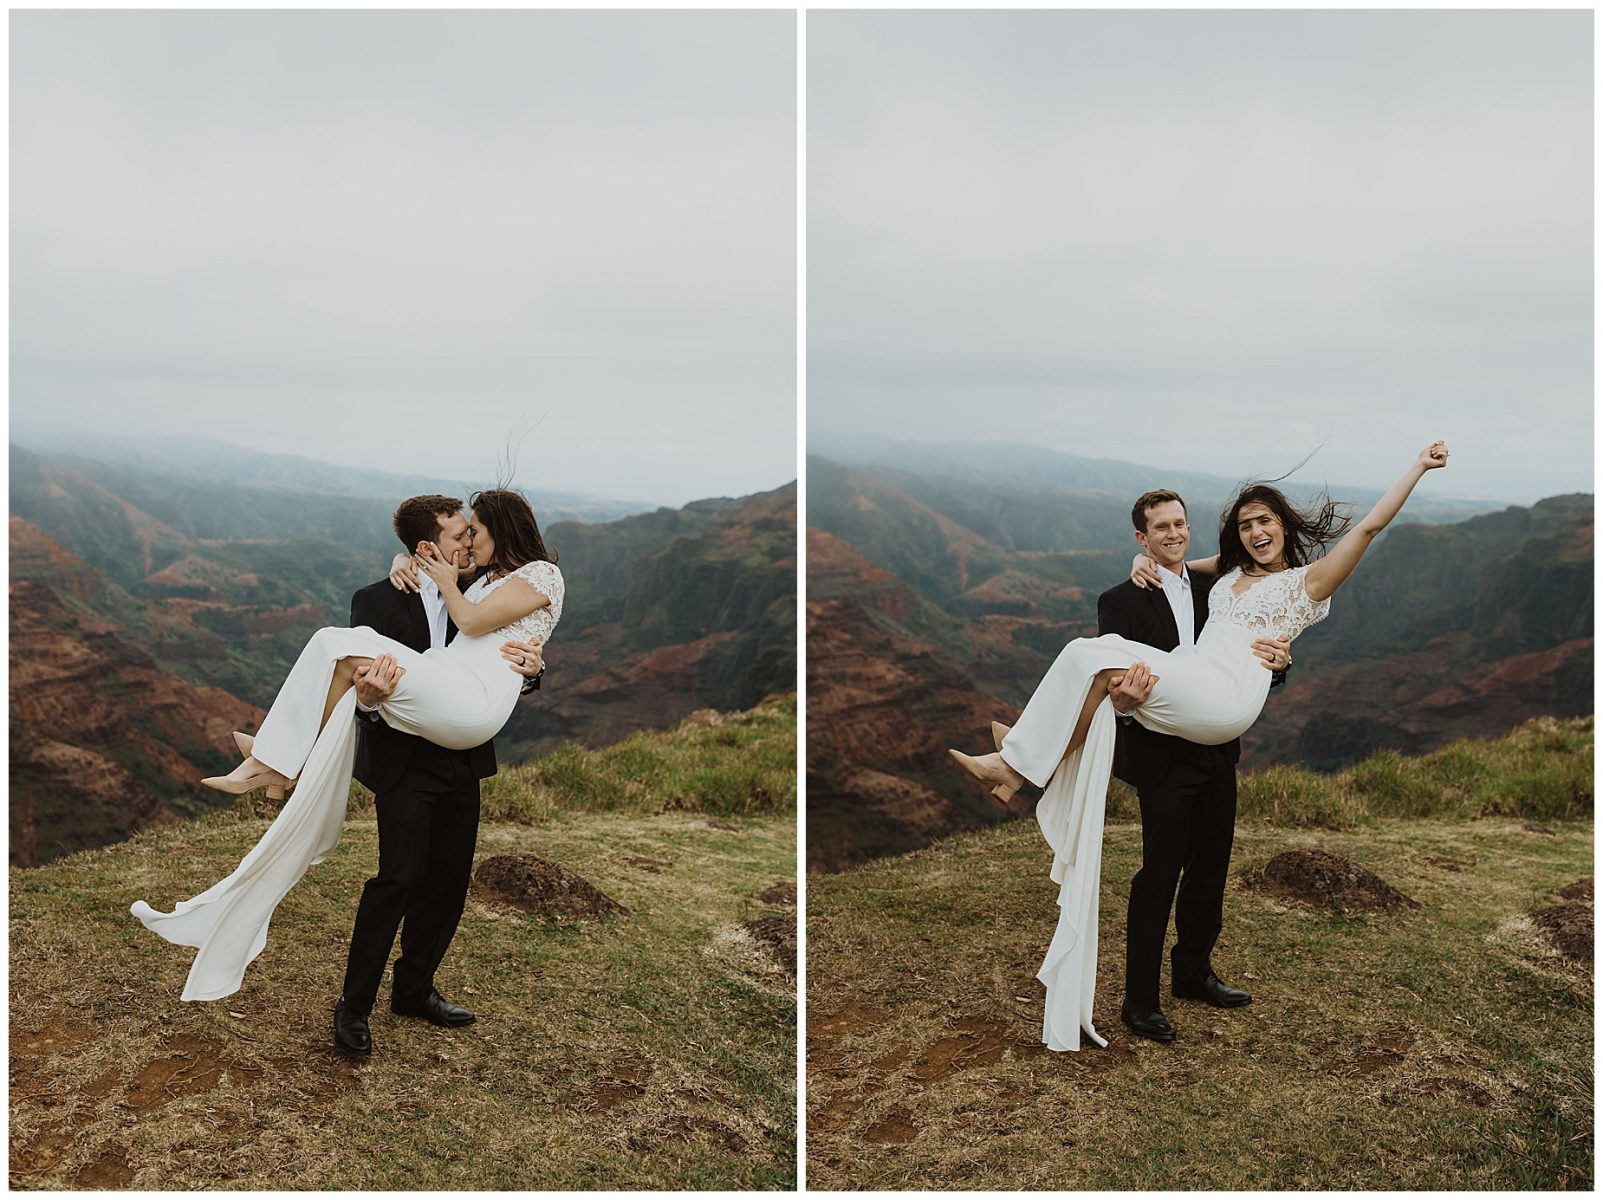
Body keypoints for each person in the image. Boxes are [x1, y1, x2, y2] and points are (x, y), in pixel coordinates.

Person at [950, 441, 1449, 1051]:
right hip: (1175, 732)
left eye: (1264, 521)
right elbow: (1179, 570)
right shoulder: (1226, 575)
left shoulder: (1306, 583)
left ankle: (1024, 765)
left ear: (1284, 527)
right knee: (1094, 667)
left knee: (1209, 862)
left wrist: (1418, 468)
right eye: (1244, 524)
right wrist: (1149, 571)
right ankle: (1142, 997)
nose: (1255, 531)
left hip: (1224, 706)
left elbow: (1369, 526)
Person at [130, 488, 564, 1023]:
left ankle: (415, 992)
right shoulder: (379, 598)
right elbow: (354, 690)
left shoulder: (479, 585)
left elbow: (503, 637)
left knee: (448, 885)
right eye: (459, 534)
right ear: (428, 545)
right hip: (405, 760)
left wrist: (536, 670)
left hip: (461, 754)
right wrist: (369, 696)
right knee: (396, 881)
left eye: (472, 531)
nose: (468, 542)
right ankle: (353, 1008)